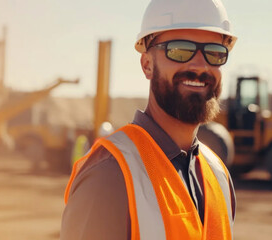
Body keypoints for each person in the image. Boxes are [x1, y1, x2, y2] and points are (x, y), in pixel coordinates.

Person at [61, 0, 237, 239]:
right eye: (180, 50)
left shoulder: (219, 175)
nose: (200, 66)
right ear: (147, 65)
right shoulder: (110, 175)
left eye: (214, 53)